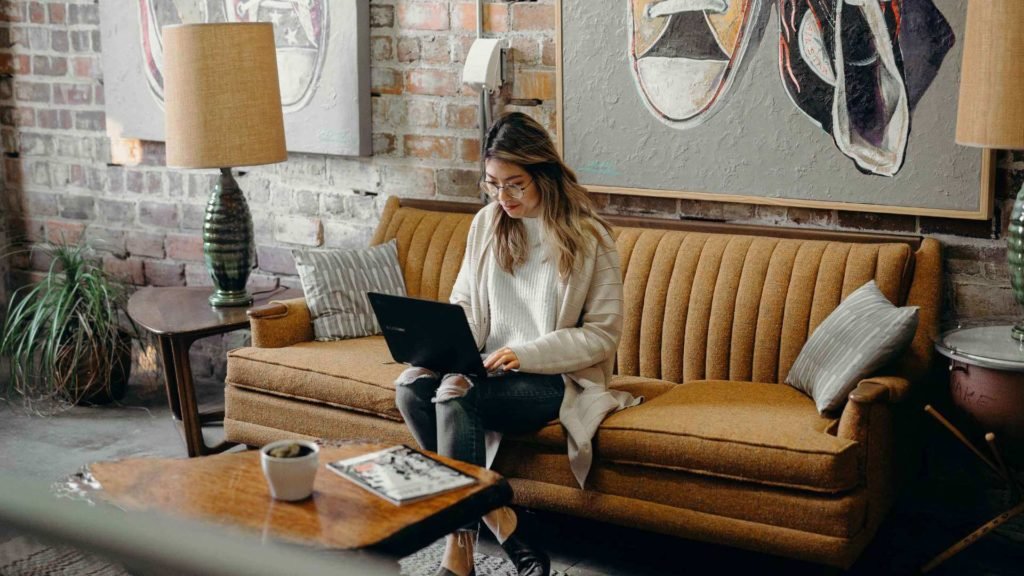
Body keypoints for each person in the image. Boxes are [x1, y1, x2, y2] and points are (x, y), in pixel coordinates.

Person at [394, 112, 640, 576]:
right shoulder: (487, 224)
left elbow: (602, 334)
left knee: (453, 397)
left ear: (543, 175)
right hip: (486, 368)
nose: (502, 197)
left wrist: (526, 354)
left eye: (515, 185)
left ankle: (459, 552)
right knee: (410, 386)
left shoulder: (589, 237)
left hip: (553, 379)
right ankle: (501, 516)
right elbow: (464, 303)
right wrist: (445, 347)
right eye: (492, 184)